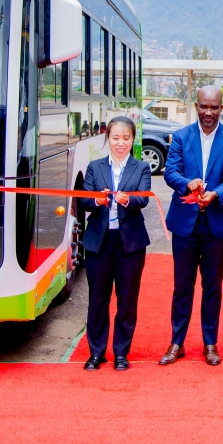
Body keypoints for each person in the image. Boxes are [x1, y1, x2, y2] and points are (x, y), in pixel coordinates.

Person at [160, 85, 223, 367]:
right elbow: (170, 172)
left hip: (216, 225)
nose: (209, 112)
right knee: (182, 287)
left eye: (214, 107)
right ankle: (177, 342)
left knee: (212, 287)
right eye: (203, 107)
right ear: (195, 106)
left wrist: (216, 194)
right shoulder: (182, 137)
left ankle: (210, 343)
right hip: (184, 224)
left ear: (222, 108)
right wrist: (188, 184)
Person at [79, 116, 153, 371]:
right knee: (97, 299)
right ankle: (96, 353)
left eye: (126, 138)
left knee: (127, 299)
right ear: (107, 139)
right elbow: (83, 201)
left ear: (133, 140)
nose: (120, 143)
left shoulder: (141, 168)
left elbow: (143, 199)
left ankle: (121, 352)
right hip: (99, 242)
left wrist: (127, 200)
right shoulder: (94, 167)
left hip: (130, 244)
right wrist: (97, 200)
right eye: (115, 138)